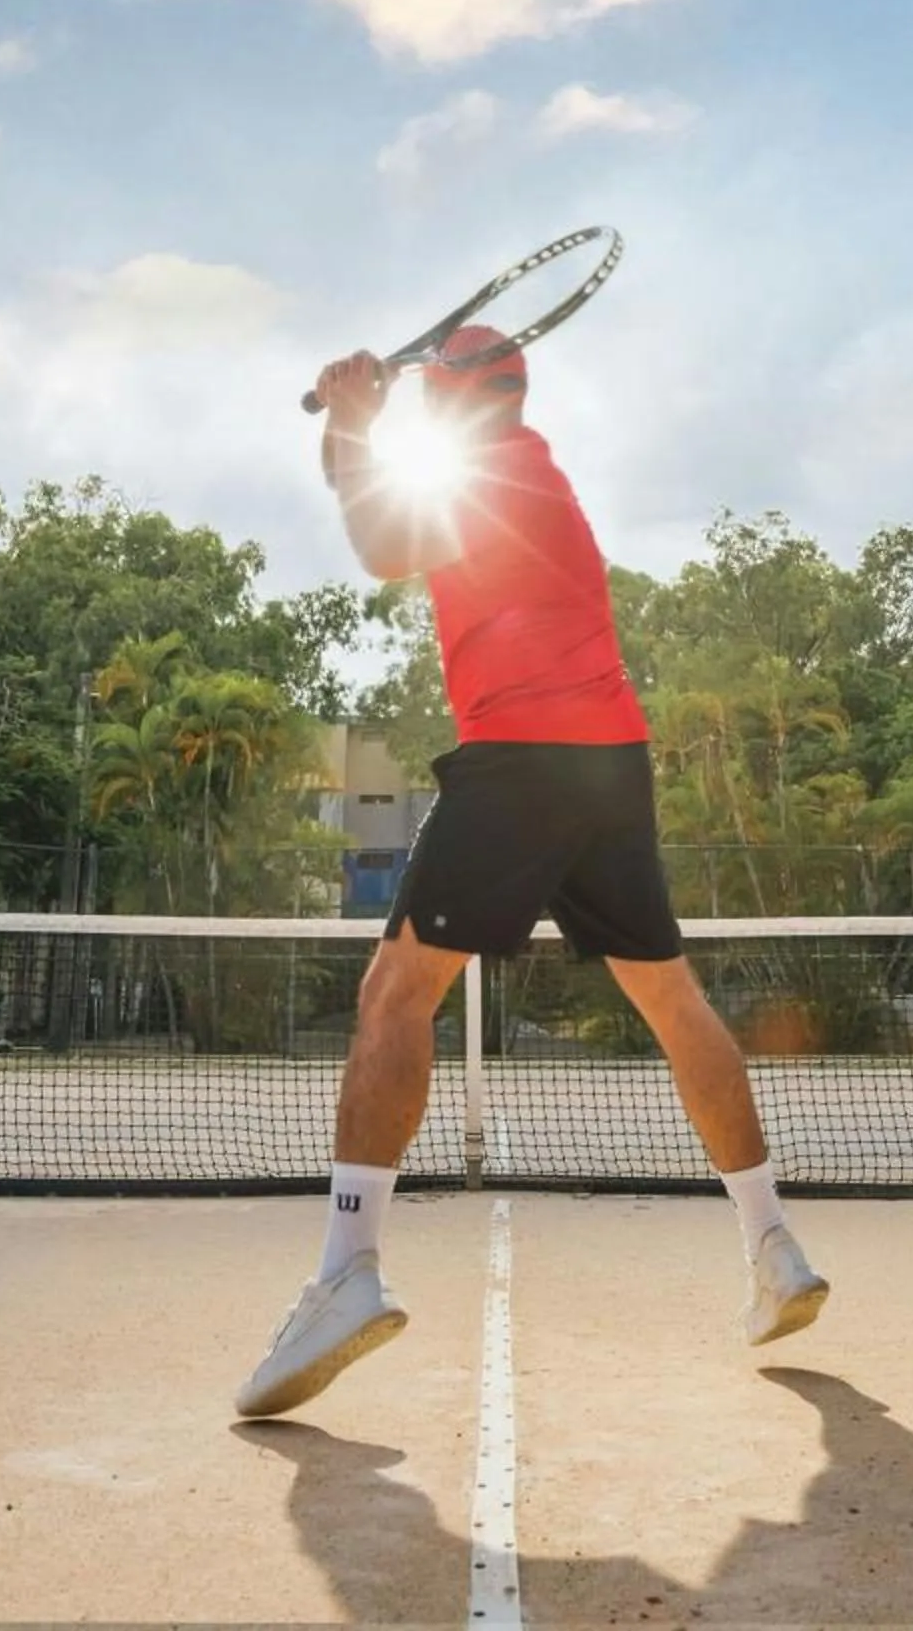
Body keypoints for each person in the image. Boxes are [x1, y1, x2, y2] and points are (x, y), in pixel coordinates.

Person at [235, 325, 827, 1420]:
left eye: (430, 387)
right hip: (609, 764)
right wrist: (358, 428)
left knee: (393, 994)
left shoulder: (495, 474)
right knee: (671, 996)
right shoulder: (526, 465)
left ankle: (346, 1270)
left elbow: (377, 542)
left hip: (521, 759)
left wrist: (359, 420)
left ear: (458, 396)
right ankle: (773, 1244)